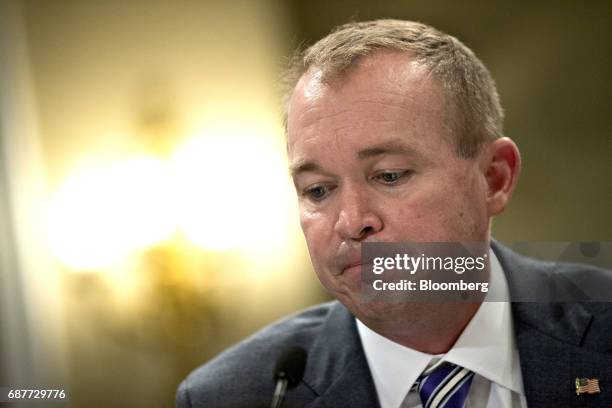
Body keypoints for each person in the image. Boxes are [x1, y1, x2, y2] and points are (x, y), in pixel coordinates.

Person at [176, 19, 612, 408]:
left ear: (494, 178)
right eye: (318, 190)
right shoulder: (233, 395)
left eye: (389, 176)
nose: (351, 221)